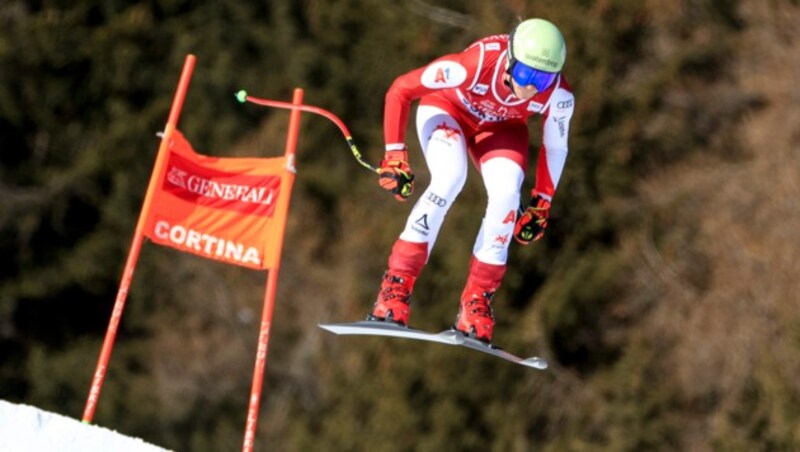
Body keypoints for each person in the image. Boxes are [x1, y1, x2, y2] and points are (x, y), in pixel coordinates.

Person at [368, 18, 575, 343]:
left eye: (544, 78)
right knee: (450, 177)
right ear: (509, 59)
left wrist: (542, 203)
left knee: (508, 195)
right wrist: (395, 155)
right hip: (448, 108)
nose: (532, 87)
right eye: (525, 74)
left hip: (501, 128)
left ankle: (477, 301)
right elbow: (400, 90)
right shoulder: (474, 65)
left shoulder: (558, 95)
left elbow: (556, 145)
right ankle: (396, 286)